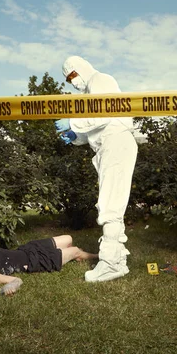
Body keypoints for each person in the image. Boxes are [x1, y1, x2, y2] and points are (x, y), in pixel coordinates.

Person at [56, 55, 138, 283]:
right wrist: (75, 135)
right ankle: (117, 261)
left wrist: (72, 122)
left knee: (110, 203)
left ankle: (111, 264)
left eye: (72, 75)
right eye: (68, 79)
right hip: (110, 144)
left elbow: (106, 112)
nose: (72, 81)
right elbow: (96, 124)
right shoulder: (91, 90)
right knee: (112, 201)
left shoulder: (100, 80)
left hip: (116, 142)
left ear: (81, 68)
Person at [0, 235, 97, 296]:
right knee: (75, 250)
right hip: (35, 261)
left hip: (28, 248)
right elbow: (15, 280)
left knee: (68, 238)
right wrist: (9, 288)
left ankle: (71, 255)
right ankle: (93, 256)